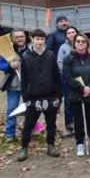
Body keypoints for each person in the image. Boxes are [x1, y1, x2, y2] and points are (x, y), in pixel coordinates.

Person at [17, 29, 62, 161]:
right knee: (29, 124)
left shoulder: (50, 55)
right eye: (37, 39)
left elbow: (56, 76)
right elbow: (24, 80)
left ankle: (51, 145)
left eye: (42, 39)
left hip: (50, 96)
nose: (40, 42)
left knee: (51, 123)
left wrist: (58, 96)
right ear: (32, 39)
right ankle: (24, 148)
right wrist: (26, 99)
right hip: (33, 97)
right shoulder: (25, 57)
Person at [63, 33, 90, 156]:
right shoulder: (68, 59)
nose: (80, 43)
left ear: (87, 43)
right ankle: (80, 143)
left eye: (83, 41)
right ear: (74, 43)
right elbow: (67, 76)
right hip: (76, 93)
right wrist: (81, 88)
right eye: (78, 41)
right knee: (78, 119)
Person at [0, 29, 29, 142]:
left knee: (31, 109)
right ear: (12, 39)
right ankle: (9, 134)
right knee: (12, 109)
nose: (20, 38)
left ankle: (30, 130)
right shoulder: (7, 51)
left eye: (22, 36)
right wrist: (9, 65)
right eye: (17, 37)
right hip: (13, 85)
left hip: (29, 86)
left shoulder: (31, 49)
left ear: (25, 37)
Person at [56, 25, 78, 137]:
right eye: (68, 33)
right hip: (68, 80)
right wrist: (67, 75)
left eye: (73, 32)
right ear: (66, 36)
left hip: (81, 79)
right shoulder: (63, 48)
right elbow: (59, 63)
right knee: (68, 104)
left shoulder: (82, 44)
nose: (71, 34)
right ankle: (69, 127)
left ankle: (79, 126)